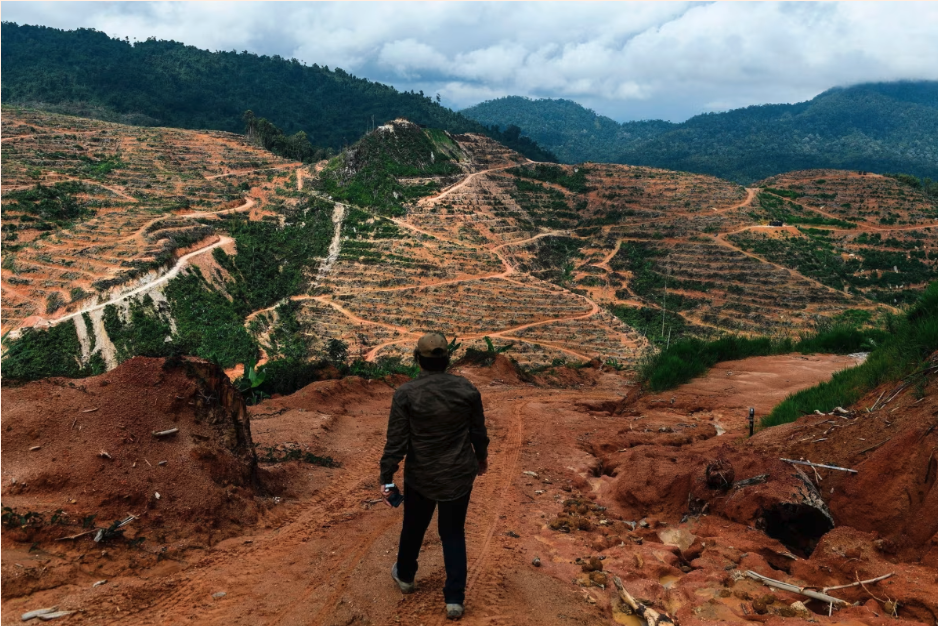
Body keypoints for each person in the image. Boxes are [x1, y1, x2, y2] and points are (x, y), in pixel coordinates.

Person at [379, 332, 489, 621]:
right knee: (452, 533)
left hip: (422, 477)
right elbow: (478, 431)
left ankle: (405, 577)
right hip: (458, 474)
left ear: (418, 359)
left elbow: (396, 442)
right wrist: (481, 458)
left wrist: (387, 477)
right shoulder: (467, 390)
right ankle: (454, 599)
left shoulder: (406, 394)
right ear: (447, 360)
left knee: (413, 528)